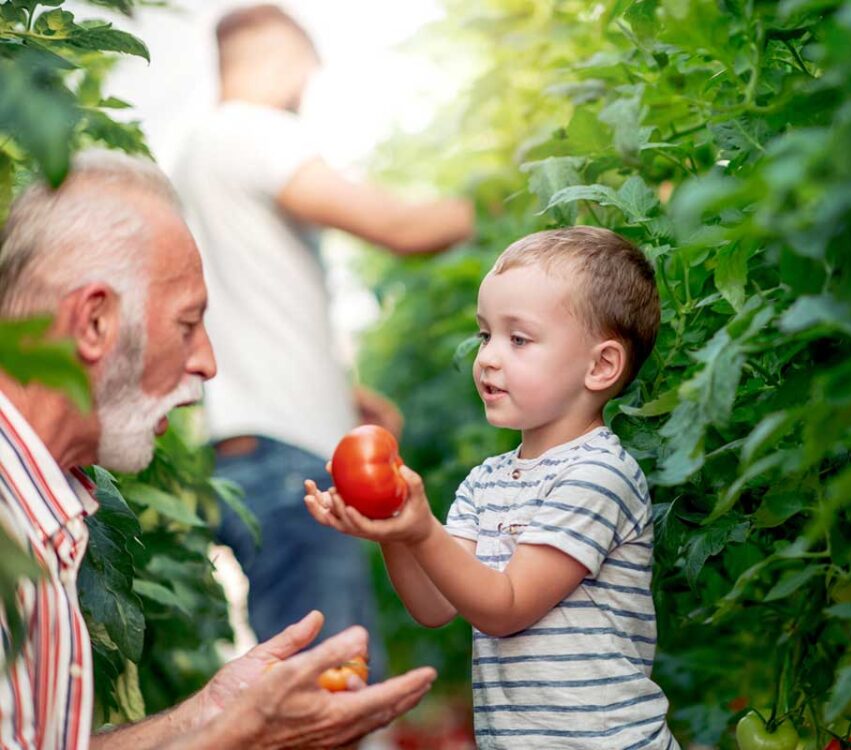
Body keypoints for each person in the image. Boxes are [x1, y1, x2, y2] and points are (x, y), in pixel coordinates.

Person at [0, 149, 435, 749]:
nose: (207, 363)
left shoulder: (39, 511)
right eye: (187, 324)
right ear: (94, 322)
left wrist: (210, 714)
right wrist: (239, 739)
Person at [170, 3, 476, 668]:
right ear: (284, 60)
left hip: (261, 456)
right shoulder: (253, 130)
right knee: (332, 690)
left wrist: (343, 399)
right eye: (306, 73)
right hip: (289, 466)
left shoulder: (198, 155)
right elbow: (403, 228)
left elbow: (252, 304)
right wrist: (508, 196)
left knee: (333, 679)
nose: (304, 92)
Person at [305, 226, 679, 748]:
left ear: (600, 366)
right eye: (485, 335)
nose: (488, 358)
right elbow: (435, 605)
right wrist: (394, 526)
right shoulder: (487, 481)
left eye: (518, 339)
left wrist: (422, 530)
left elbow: (506, 607)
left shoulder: (598, 475)